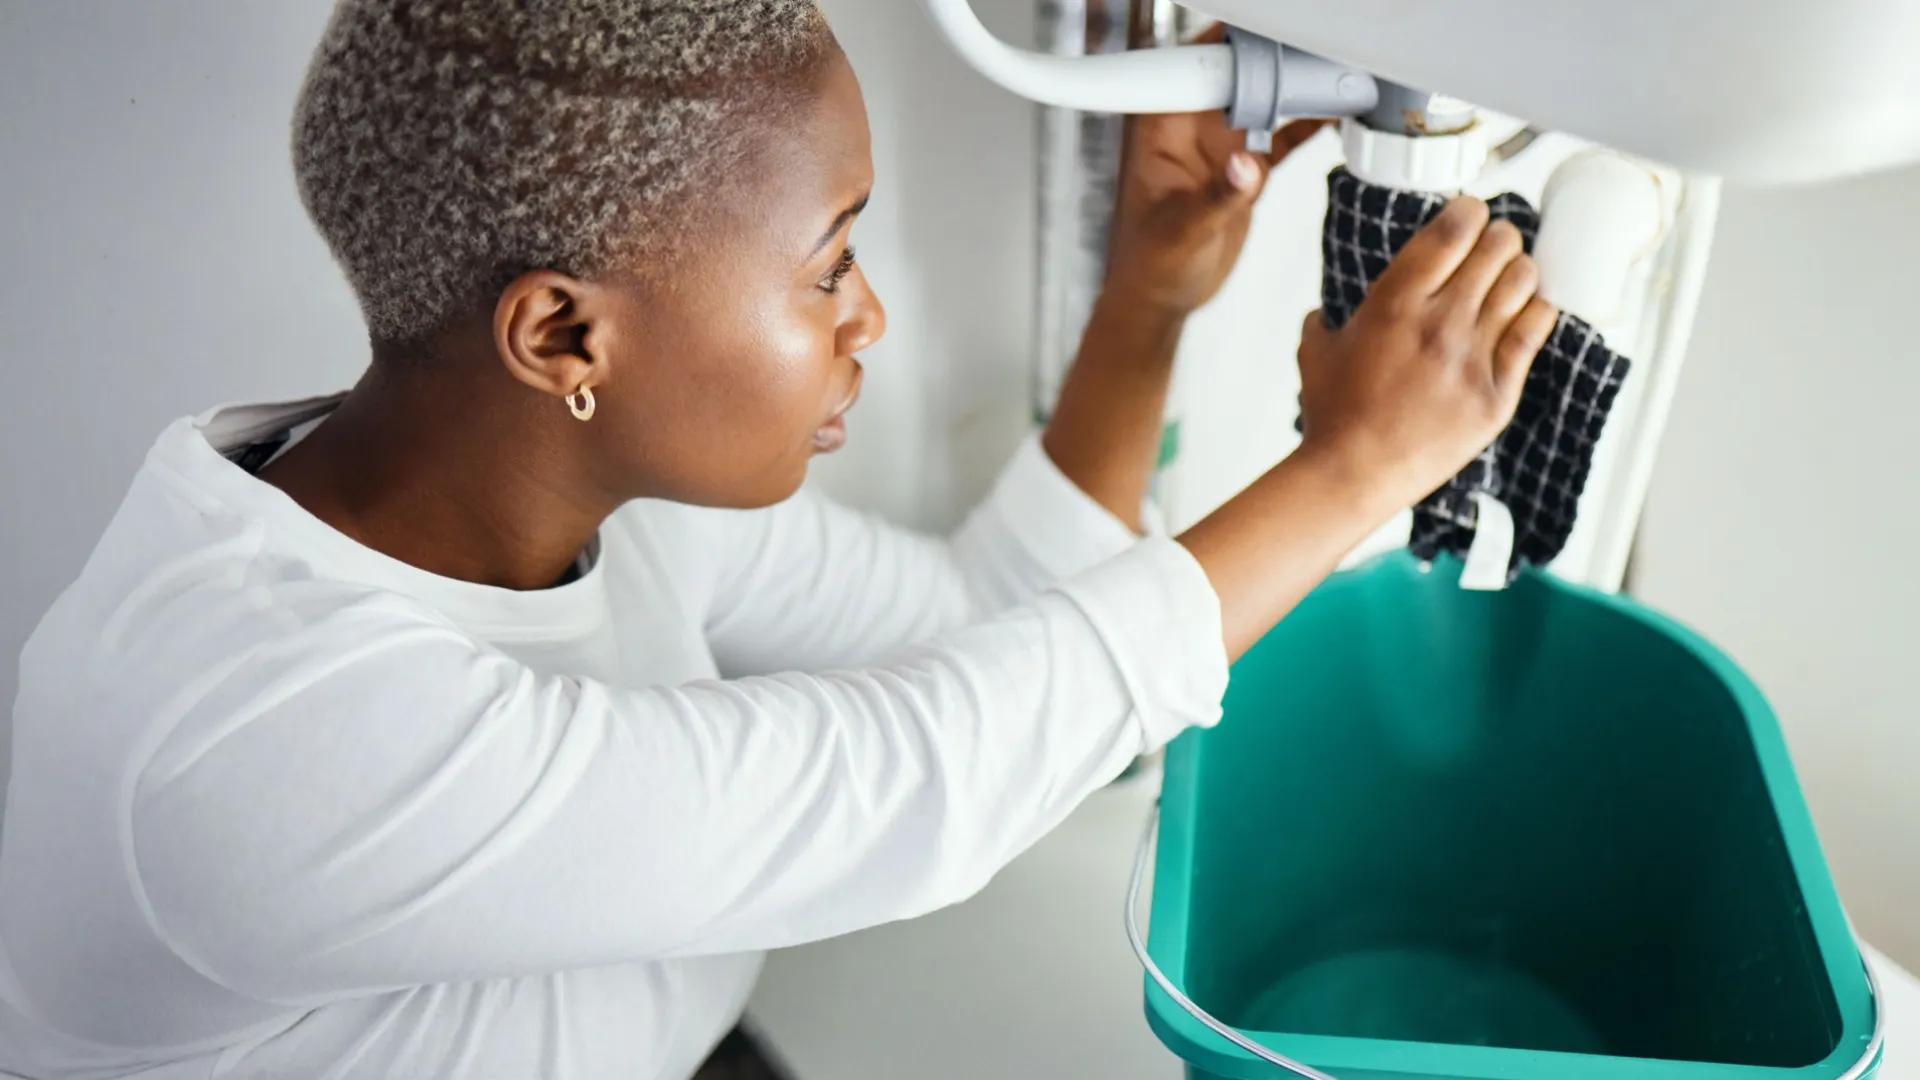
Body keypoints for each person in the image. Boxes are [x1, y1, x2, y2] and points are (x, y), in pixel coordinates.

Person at [0, 2, 1554, 1078]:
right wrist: (1354, 467)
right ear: (562, 332)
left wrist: (1144, 300)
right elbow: (931, 777)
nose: (865, 312)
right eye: (829, 263)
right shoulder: (254, 739)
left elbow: (984, 618)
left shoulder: (586, 501)